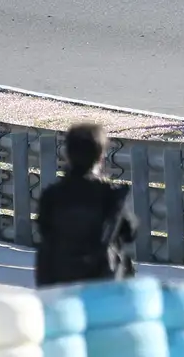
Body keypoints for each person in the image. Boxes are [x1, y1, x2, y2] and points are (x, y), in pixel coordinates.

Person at [34, 122, 137, 288]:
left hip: (58, 278)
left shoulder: (53, 194)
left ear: (68, 154)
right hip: (100, 280)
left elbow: (43, 229)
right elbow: (130, 232)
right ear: (100, 156)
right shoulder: (110, 194)